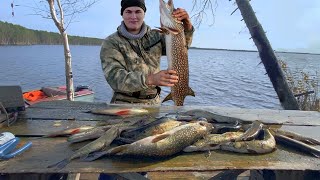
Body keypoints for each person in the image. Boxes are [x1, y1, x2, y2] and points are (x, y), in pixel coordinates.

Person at [100, 0, 194, 105]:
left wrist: (187, 26)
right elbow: (114, 78)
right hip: (124, 103)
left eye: (138, 11)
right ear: (122, 14)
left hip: (154, 103)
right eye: (128, 12)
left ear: (144, 13)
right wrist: (150, 79)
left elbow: (181, 48)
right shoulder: (111, 42)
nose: (133, 16)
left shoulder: (156, 36)